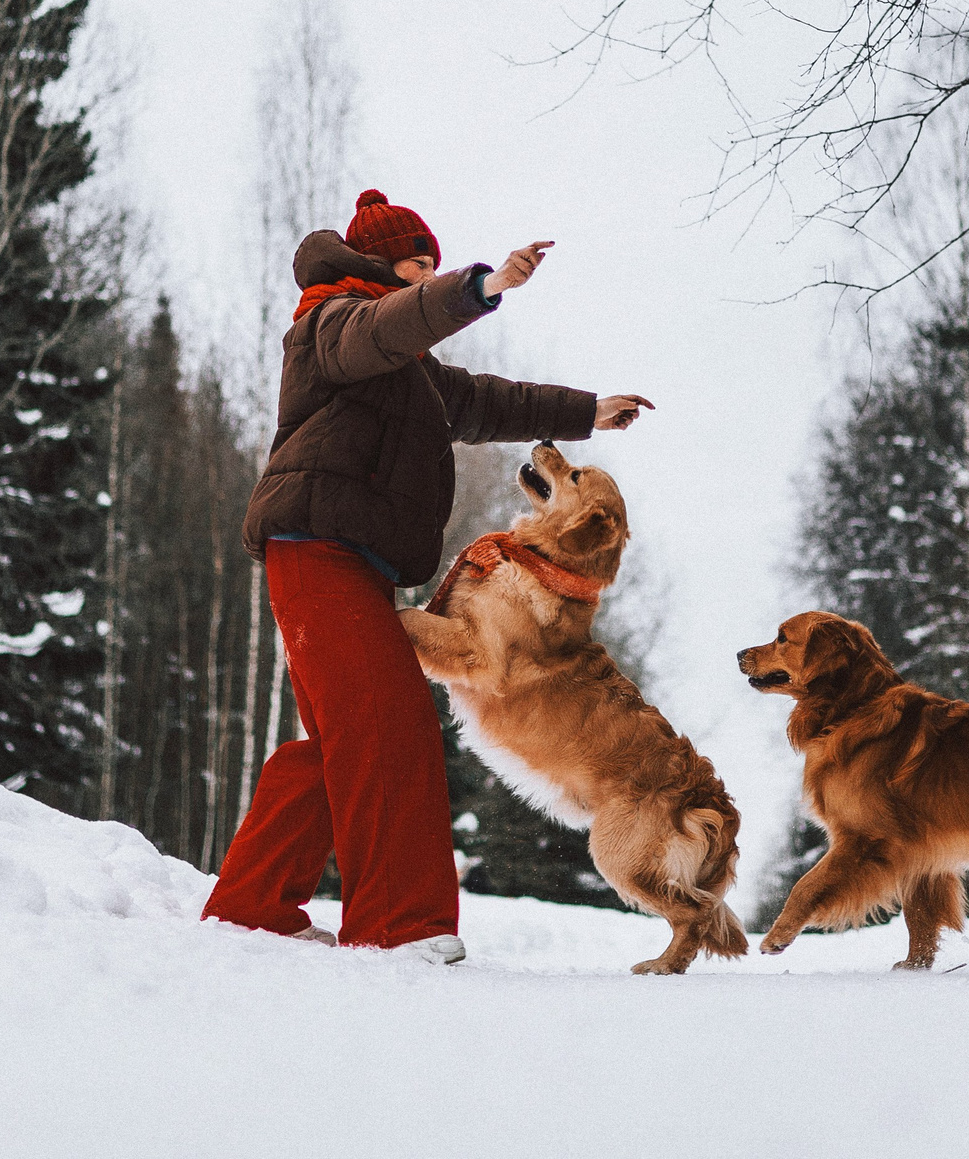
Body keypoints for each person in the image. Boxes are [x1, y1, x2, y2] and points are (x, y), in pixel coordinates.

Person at [202, 189, 652, 961]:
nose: (425, 281)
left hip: (347, 564)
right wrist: (479, 288)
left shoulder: (404, 367)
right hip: (315, 551)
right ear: (381, 265)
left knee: (339, 741)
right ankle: (396, 925)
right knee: (391, 723)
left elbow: (482, 400)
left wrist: (586, 412)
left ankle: (251, 905)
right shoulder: (333, 321)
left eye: (433, 272)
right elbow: (388, 323)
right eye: (418, 267)